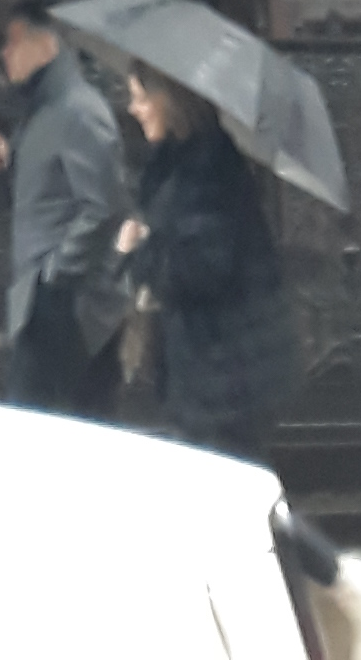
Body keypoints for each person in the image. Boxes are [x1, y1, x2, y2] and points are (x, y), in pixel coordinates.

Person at [115, 68, 296, 464]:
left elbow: (199, 268)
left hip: (225, 374)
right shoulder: (179, 162)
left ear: (169, 98)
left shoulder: (208, 170)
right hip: (208, 367)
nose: (133, 109)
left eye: (141, 97)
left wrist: (139, 249)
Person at [0, 0, 129, 415]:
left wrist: (56, 274)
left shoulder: (79, 111)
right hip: (42, 301)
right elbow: (43, 196)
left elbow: (103, 207)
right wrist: (4, 165)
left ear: (46, 45)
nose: (4, 53)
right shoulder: (40, 113)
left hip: (70, 309)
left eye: (14, 41)